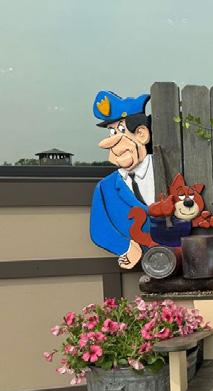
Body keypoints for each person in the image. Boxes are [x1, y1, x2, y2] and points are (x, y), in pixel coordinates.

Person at [89, 91, 155, 269]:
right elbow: (99, 229)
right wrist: (126, 248)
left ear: (141, 133)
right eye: (112, 132)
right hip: (146, 266)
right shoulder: (105, 188)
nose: (113, 142)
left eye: (121, 130)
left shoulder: (165, 169)